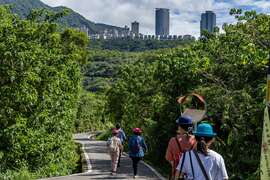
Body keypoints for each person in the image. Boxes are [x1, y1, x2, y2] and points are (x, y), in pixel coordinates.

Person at [165, 115, 196, 179]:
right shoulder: (195, 141)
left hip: (177, 175)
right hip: (193, 175)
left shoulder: (173, 140)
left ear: (179, 127)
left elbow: (168, 158)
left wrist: (176, 165)